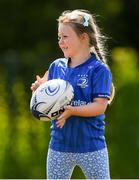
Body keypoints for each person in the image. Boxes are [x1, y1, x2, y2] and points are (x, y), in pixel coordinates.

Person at [31, 9, 114, 179]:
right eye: (59, 37)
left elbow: (100, 106)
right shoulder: (56, 66)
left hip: (91, 147)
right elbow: (48, 94)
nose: (60, 42)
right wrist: (39, 90)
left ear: (84, 37)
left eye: (65, 37)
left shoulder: (98, 70)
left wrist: (73, 111)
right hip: (59, 147)